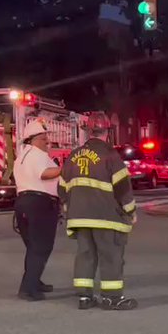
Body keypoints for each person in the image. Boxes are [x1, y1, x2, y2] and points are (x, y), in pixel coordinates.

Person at [59, 113, 138, 311]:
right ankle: (111, 298)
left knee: (85, 255)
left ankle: (85, 298)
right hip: (106, 217)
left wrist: (70, 209)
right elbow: (122, 188)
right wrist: (131, 211)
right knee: (110, 255)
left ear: (87, 132)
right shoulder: (110, 155)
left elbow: (62, 188)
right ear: (108, 132)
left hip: (79, 217)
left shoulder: (74, 155)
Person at [13, 119, 62, 301]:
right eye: (43, 139)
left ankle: (35, 280)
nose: (46, 142)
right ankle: (28, 289)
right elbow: (45, 173)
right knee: (40, 247)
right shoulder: (36, 155)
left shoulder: (23, 156)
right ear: (31, 139)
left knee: (33, 246)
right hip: (39, 204)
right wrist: (65, 169)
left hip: (25, 203)